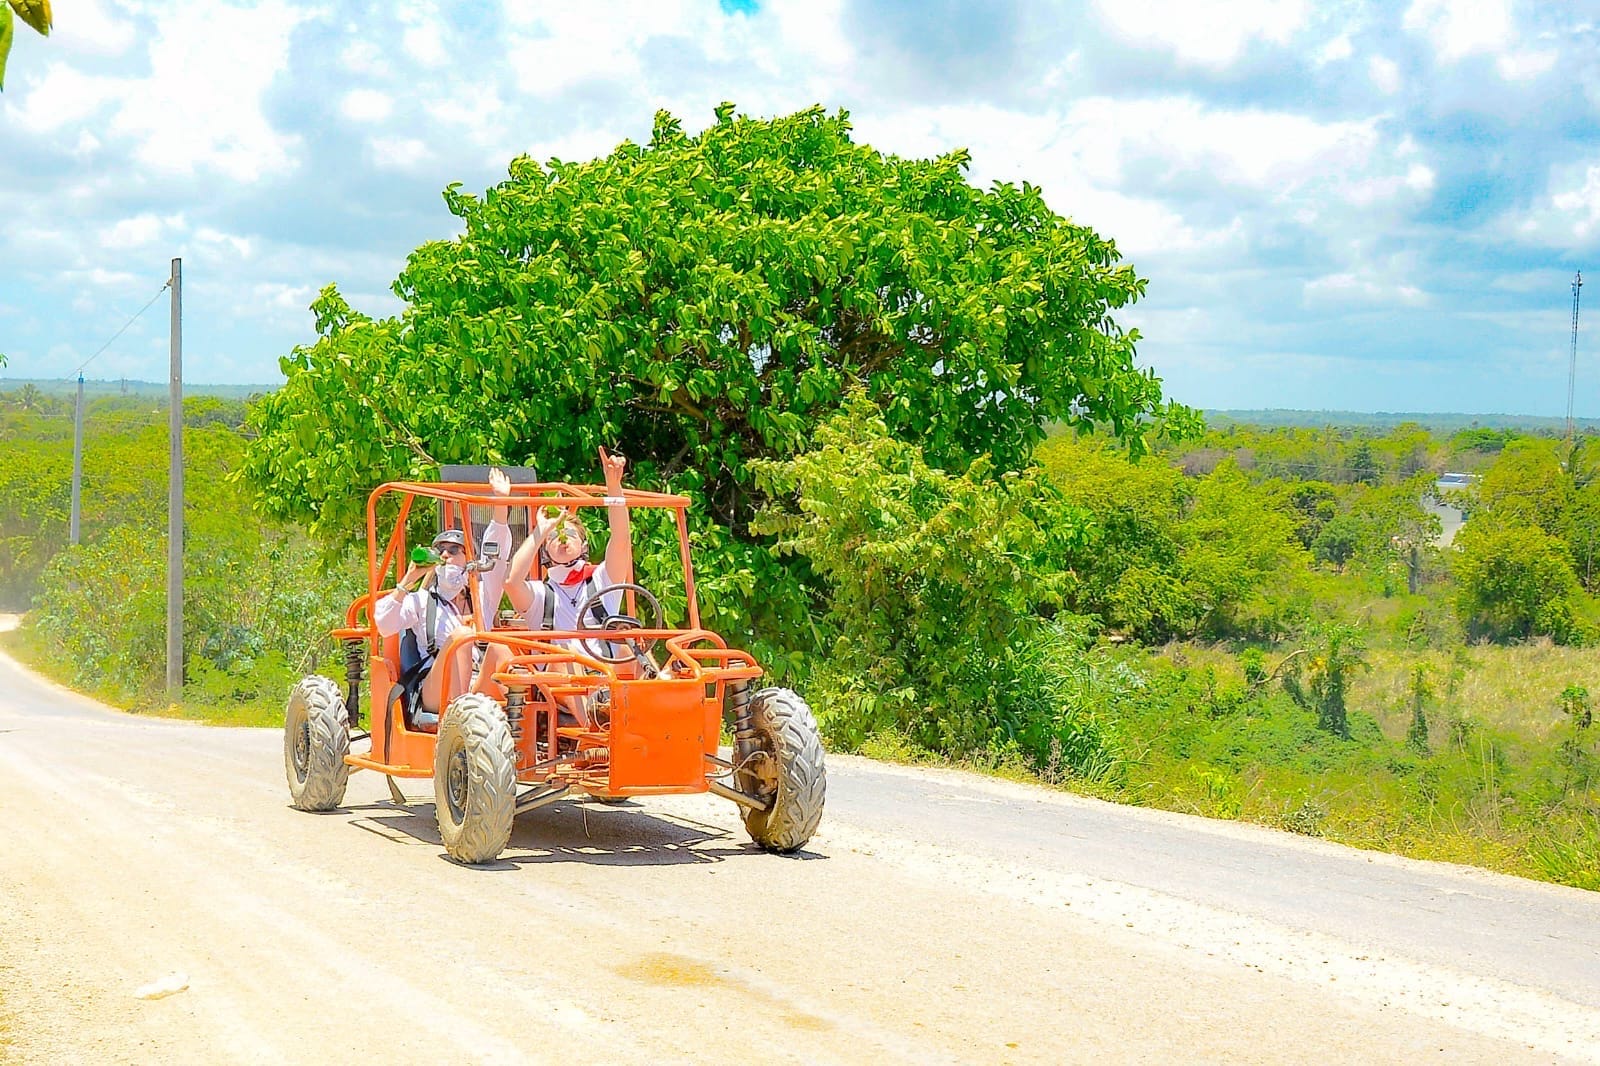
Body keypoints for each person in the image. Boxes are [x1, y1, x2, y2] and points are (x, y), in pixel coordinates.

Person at [375, 468, 517, 723]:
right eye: (440, 550)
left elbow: (498, 556)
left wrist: (500, 503)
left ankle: (533, 723)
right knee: (460, 638)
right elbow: (384, 625)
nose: (445, 555)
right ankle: (461, 724)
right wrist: (409, 579)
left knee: (499, 646)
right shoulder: (421, 600)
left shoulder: (481, 595)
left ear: (469, 560)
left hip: (475, 684)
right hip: (435, 689)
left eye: (454, 550)